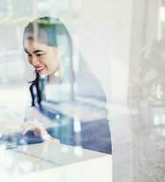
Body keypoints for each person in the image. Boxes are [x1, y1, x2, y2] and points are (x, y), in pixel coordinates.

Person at [21, 16, 112, 154]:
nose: (33, 62)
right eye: (29, 54)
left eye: (39, 53)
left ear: (61, 49)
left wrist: (48, 140)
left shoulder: (85, 88)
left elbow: (98, 150)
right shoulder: (38, 86)